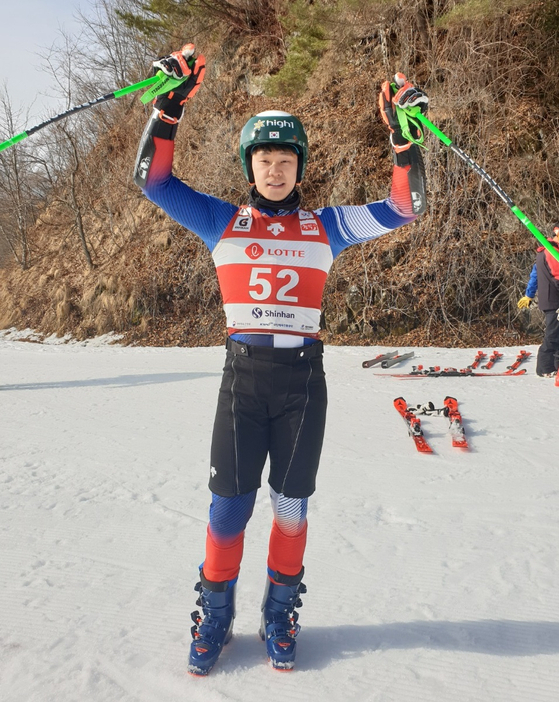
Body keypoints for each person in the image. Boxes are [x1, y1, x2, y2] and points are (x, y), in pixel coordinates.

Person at [133, 43, 428, 675]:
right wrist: (168, 108)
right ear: (250, 166)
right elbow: (152, 181)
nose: (274, 169)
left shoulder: (326, 226)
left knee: (291, 508)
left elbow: (406, 208)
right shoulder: (221, 220)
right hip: (243, 382)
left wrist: (405, 145)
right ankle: (215, 614)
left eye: (285, 159)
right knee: (229, 509)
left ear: (299, 168)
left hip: (301, 384)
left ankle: (278, 610)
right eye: (264, 159)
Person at [517, 222, 559, 377]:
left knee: (557, 333)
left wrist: (529, 294)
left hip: (550, 298)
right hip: (554, 299)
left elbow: (534, 274)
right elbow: (557, 277)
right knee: (553, 334)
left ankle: (556, 366)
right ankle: (545, 368)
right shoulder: (551, 251)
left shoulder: (546, 250)